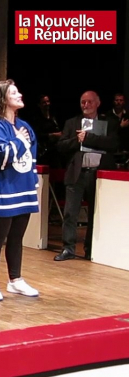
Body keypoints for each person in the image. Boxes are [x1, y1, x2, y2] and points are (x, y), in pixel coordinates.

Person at [0, 80, 40, 301]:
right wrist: (19, 142)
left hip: (22, 189)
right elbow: (0, 157)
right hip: (2, 190)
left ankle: (15, 280)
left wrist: (32, 181)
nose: (20, 95)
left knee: (16, 238)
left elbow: (30, 157)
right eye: (14, 92)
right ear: (3, 98)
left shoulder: (25, 127)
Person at [53, 91, 119, 262]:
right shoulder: (72, 122)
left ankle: (91, 250)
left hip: (99, 175)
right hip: (77, 173)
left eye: (89, 102)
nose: (86, 105)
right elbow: (61, 146)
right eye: (83, 102)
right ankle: (68, 248)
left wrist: (88, 138)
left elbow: (113, 144)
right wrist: (79, 140)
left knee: (95, 215)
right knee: (70, 213)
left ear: (98, 103)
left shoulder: (108, 122)